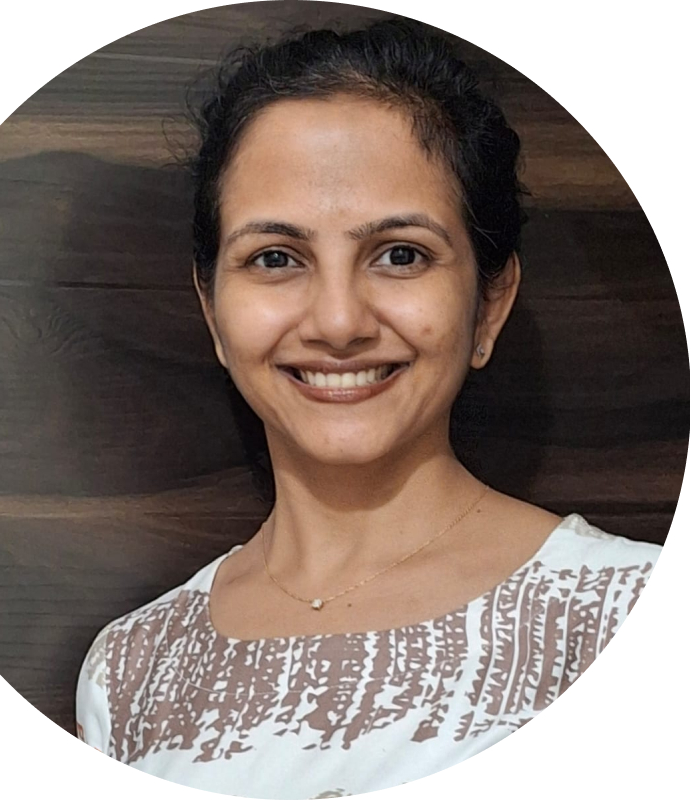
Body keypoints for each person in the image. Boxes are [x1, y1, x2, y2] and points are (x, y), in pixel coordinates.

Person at [75, 18, 661, 799]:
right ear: (213, 311)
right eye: (275, 258)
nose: (339, 321)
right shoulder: (131, 673)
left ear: (489, 303)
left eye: (400, 254)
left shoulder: (631, 615)